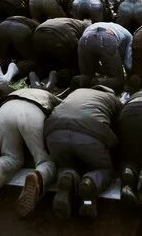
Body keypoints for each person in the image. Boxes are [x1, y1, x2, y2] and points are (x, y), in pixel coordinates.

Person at [0, 86, 61, 217]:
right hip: (33, 111)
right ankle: (38, 177)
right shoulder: (50, 96)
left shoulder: (20, 90)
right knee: (46, 162)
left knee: (11, 156)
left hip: (5, 109)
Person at [44, 85, 121, 219]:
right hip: (90, 133)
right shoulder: (112, 98)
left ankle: (66, 178)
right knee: (103, 170)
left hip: (55, 132)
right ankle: (89, 187)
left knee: (65, 166)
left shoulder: (77, 91)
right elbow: (119, 128)